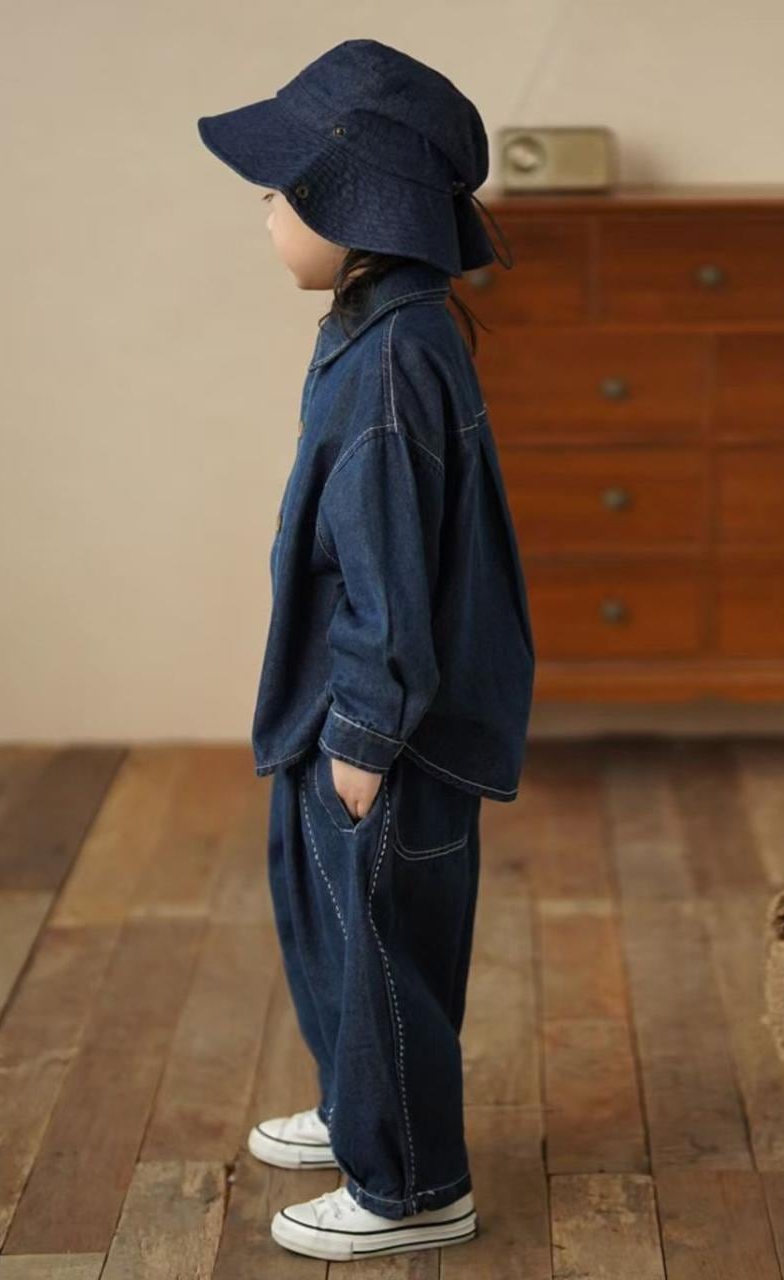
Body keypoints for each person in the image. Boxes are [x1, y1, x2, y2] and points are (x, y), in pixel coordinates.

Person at [197, 38, 535, 1263]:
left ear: (354, 208)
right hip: (337, 702)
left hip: (383, 722)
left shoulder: (395, 361)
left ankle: (411, 1184)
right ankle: (359, 1109)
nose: (266, 210)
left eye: (281, 191)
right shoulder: (374, 325)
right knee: (329, 923)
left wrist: (364, 733)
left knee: (385, 947)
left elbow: (391, 579)